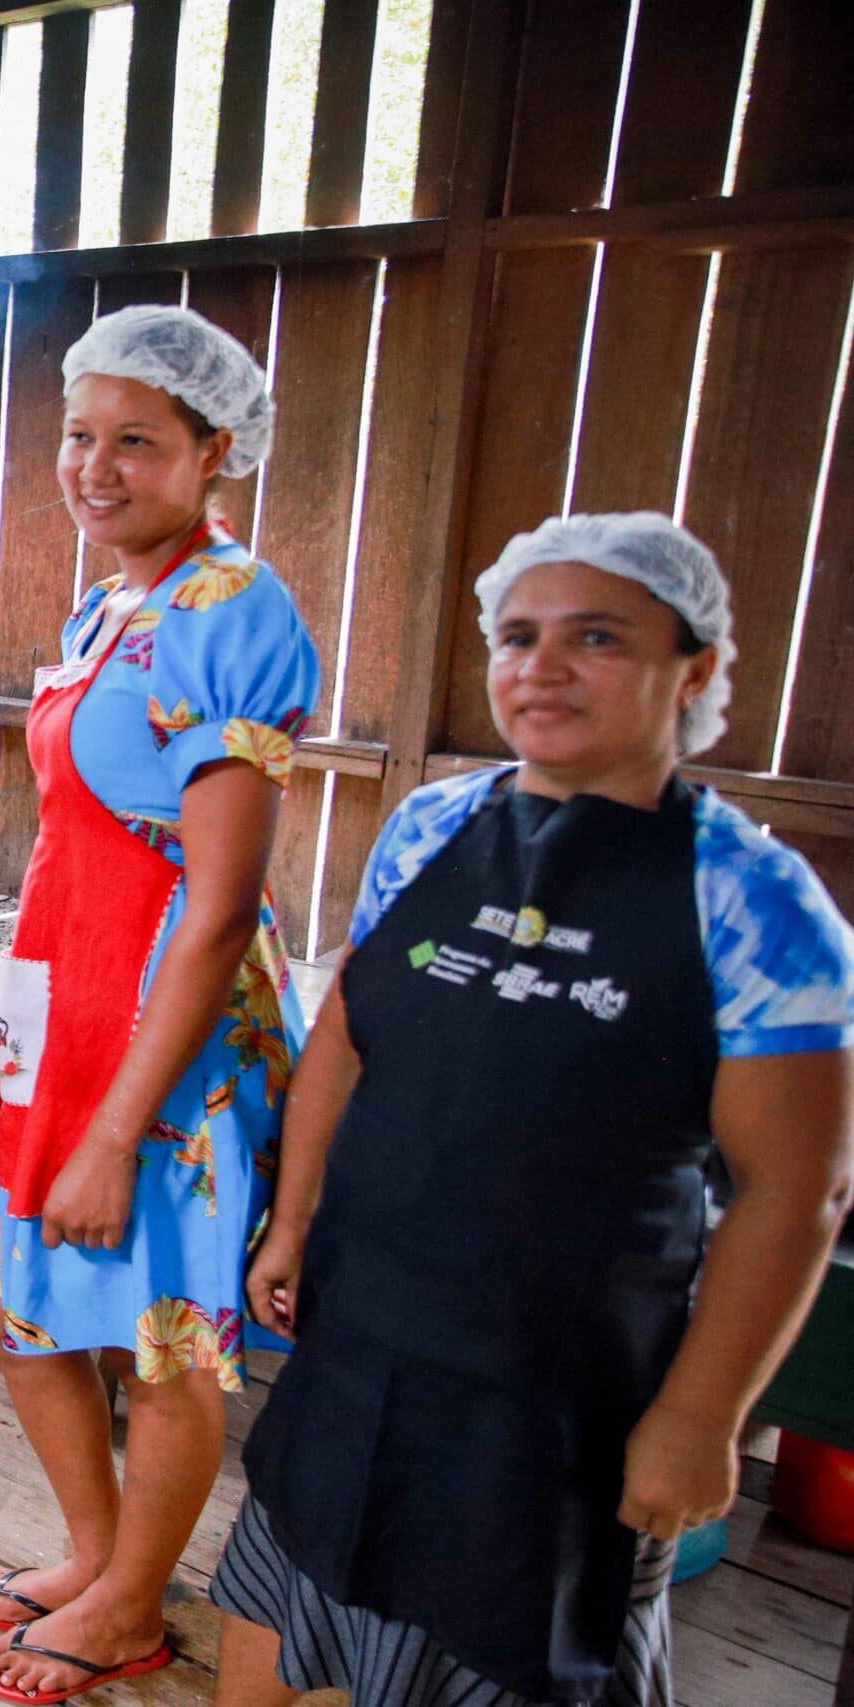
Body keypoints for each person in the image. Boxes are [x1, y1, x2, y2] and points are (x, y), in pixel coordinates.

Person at [211, 512, 854, 1707]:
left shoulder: (751, 897)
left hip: (561, 1394)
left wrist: (699, 1417)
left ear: (694, 670)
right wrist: (290, 1221)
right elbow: (344, 1035)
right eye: (517, 637)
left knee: (512, 1654)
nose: (541, 667)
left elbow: (796, 1189)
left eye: (595, 637)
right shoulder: (431, 825)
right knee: (284, 1608)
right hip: (362, 1336)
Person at [0, 304, 318, 1704]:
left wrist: (116, 1126)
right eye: (79, 436)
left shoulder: (233, 607)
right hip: (69, 993)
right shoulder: (113, 601)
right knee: (18, 1305)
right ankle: (104, 1559)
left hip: (172, 1029)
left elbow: (218, 904)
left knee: (165, 1338)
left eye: (136, 442)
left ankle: (123, 1613)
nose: (94, 468)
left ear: (214, 450)